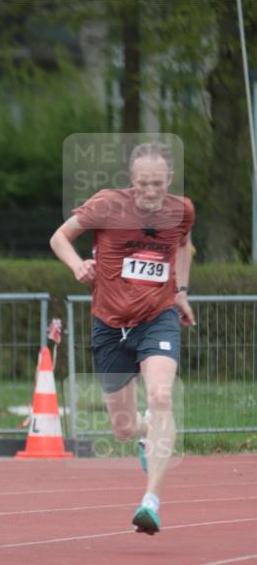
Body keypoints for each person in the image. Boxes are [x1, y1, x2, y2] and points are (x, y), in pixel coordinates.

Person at [49, 141, 195, 535]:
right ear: (132, 180)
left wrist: (180, 292)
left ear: (169, 180)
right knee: (123, 428)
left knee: (162, 395)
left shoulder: (181, 210)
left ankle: (151, 501)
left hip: (157, 317)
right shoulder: (107, 204)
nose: (151, 192)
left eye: (158, 184)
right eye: (144, 183)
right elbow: (59, 238)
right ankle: (145, 433)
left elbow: (182, 246)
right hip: (110, 324)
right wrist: (78, 264)